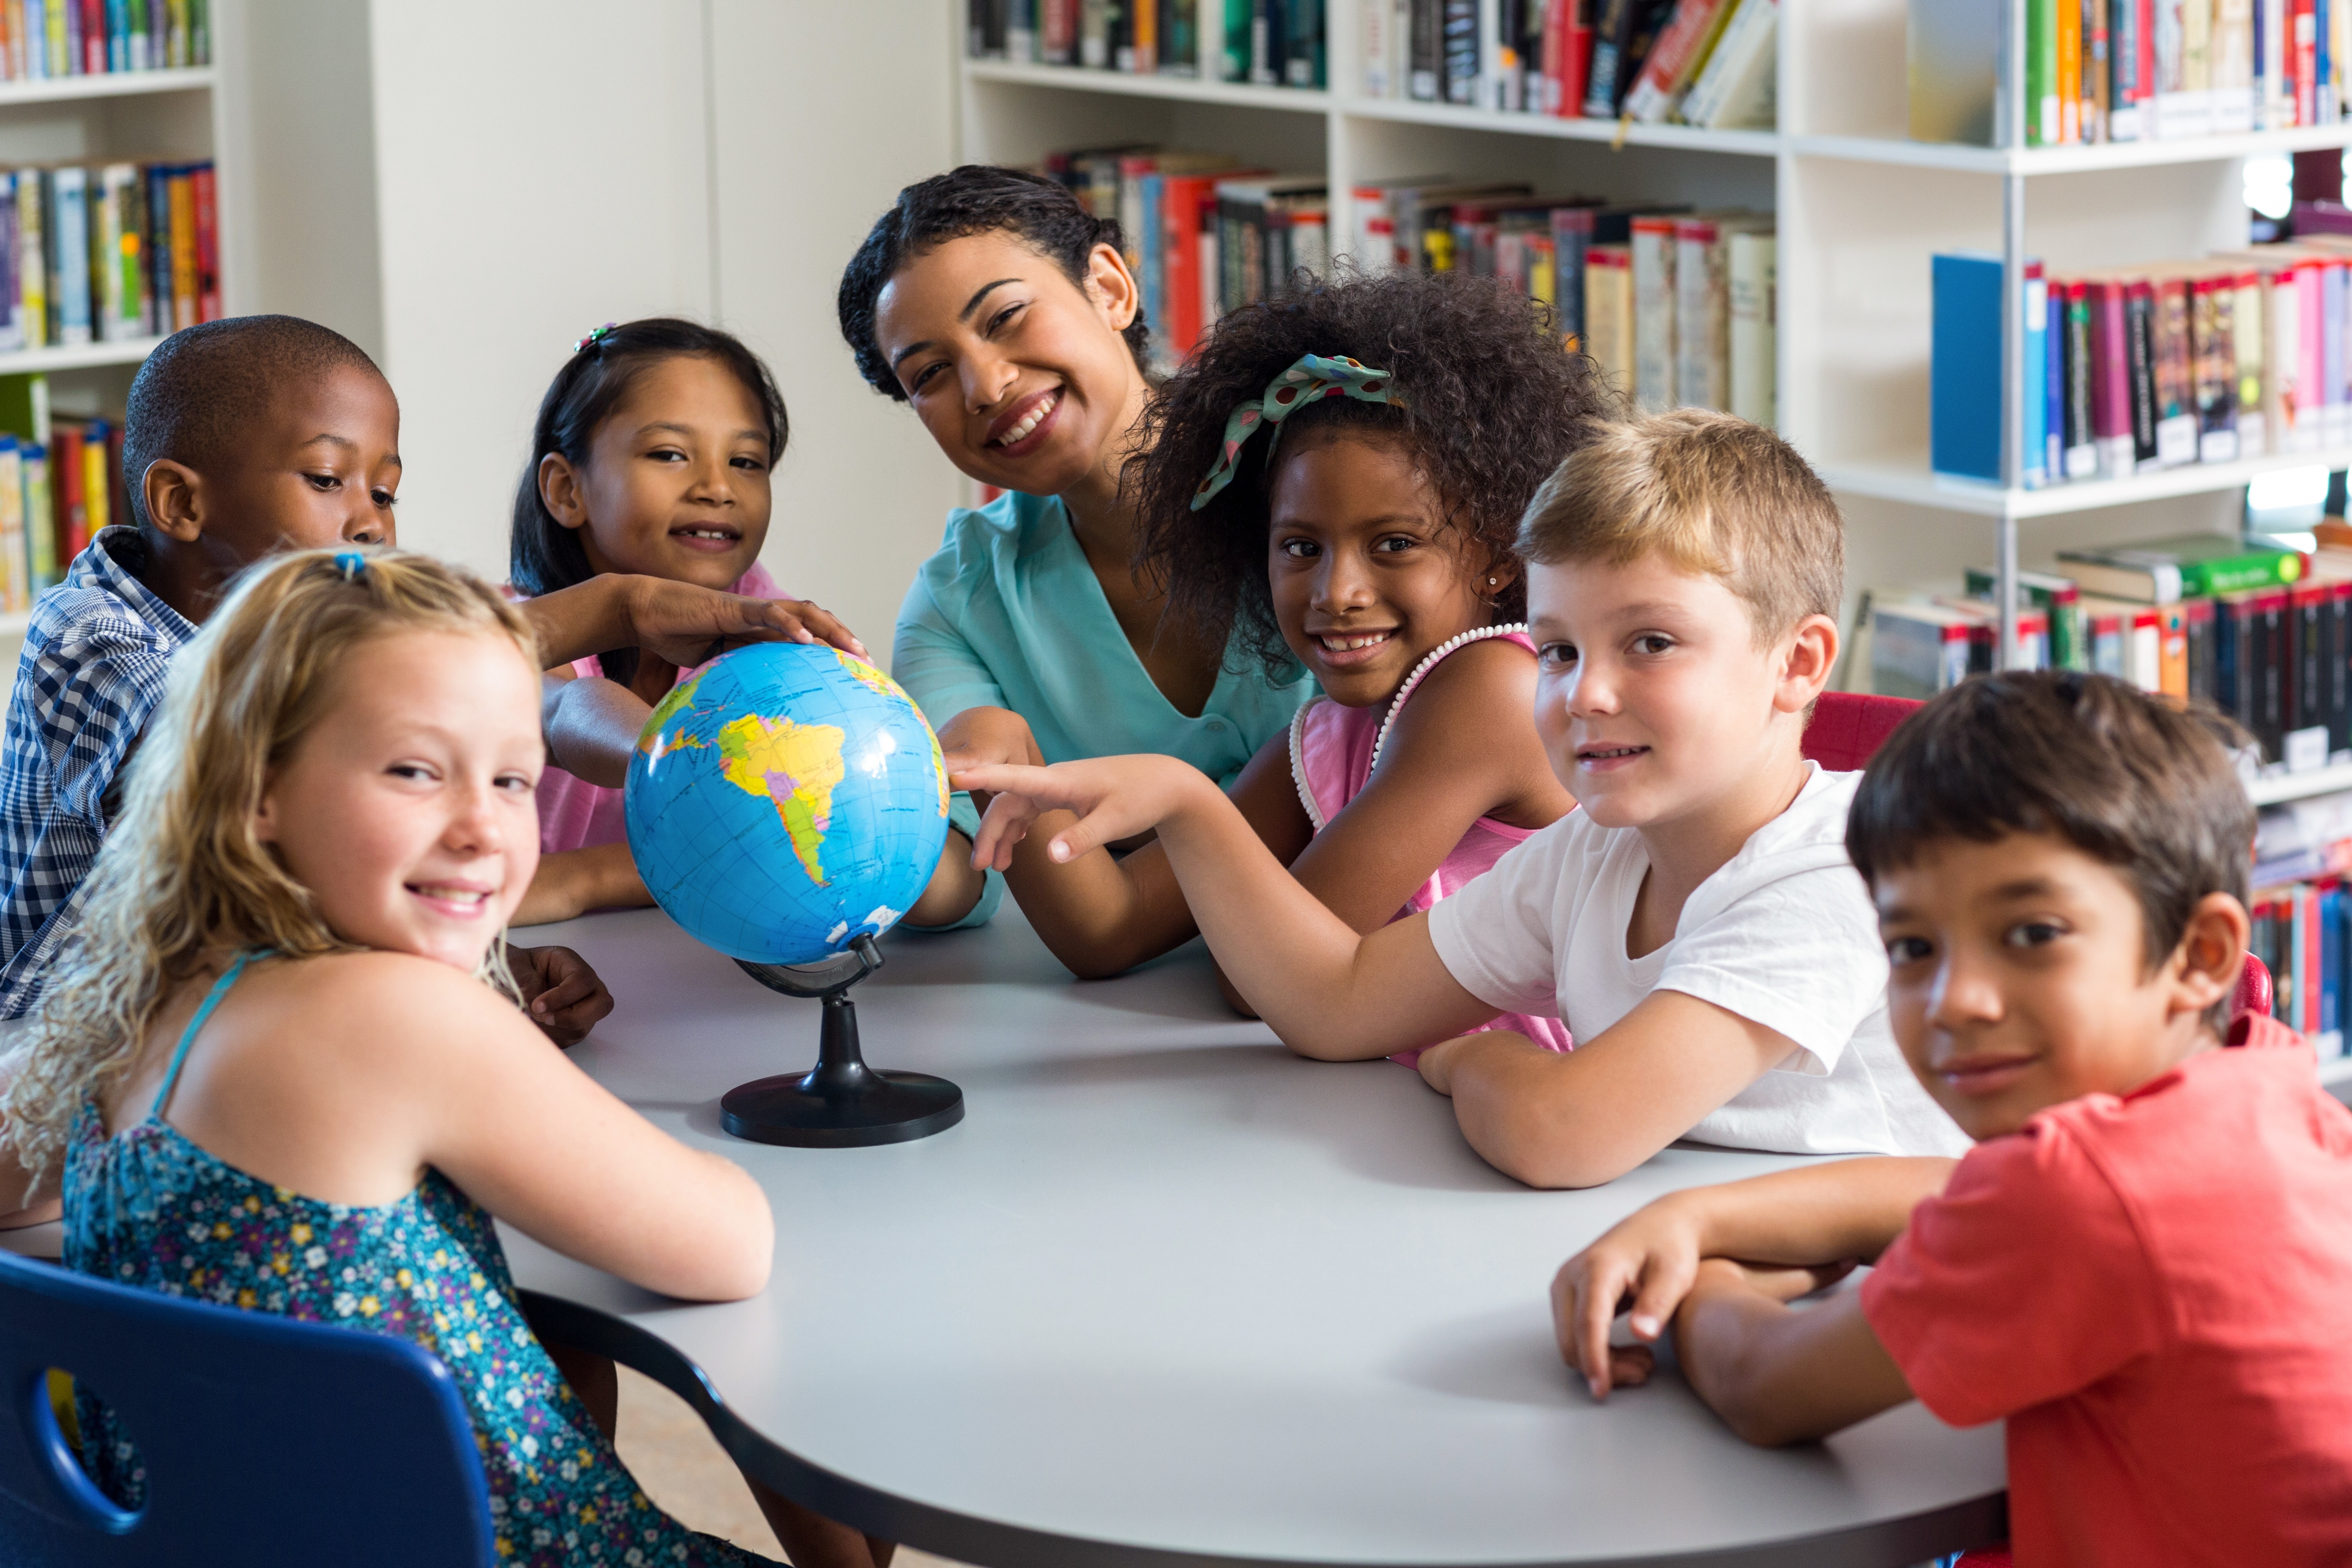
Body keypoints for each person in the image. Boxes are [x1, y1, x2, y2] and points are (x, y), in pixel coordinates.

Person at [0, 550, 896, 1568]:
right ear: (257, 790)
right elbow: (730, 1245)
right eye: (416, 771)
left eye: (514, 778)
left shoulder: (135, 1004)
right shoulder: (399, 1015)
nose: (481, 828)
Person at [955, 410, 1965, 1185]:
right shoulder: (1601, 856)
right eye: (1561, 650)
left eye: (1650, 643)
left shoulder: (1838, 874)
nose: (1586, 695)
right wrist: (1187, 801)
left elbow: (1562, 1131)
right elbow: (1333, 1002)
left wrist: (1465, 1060)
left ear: (1798, 664)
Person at [1551, 672, 2352, 1568]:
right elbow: (1954, 1190)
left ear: (2200, 954)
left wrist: (1703, 1283)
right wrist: (1691, 1215)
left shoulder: (2077, 1198)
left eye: (2033, 934)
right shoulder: (2270, 1083)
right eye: (1913, 949)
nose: (1955, 1002)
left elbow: (1765, 1386)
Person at [994, 272, 1594, 1049]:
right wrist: (1012, 769)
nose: (1337, 591)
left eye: (1395, 545)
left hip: (1533, 1112)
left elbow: (1266, 984)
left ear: (1498, 554)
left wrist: (1186, 800)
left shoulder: (1491, 692)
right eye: (1302, 548)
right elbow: (1111, 929)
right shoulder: (1336, 730)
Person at [0, 317, 616, 1048]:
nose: (371, 526)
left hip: (234, 1021)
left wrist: (480, 965)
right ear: (182, 503)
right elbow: (256, 800)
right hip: (67, 1060)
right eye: (328, 480)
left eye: (384, 494)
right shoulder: (92, 637)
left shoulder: (311, 643)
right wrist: (613, 607)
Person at [839, 166, 1317, 924]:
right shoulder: (958, 606)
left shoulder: (1327, 496)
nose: (985, 386)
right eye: (930, 373)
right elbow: (960, 883)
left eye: (1005, 317)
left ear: (1110, 287)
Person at [507, 316, 982, 930]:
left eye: (747, 461)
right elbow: (566, 707)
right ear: (567, 489)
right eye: (671, 454)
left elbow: (907, 867)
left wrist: (593, 877)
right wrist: (680, 762)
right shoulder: (520, 634)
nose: (717, 487)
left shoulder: (771, 635)